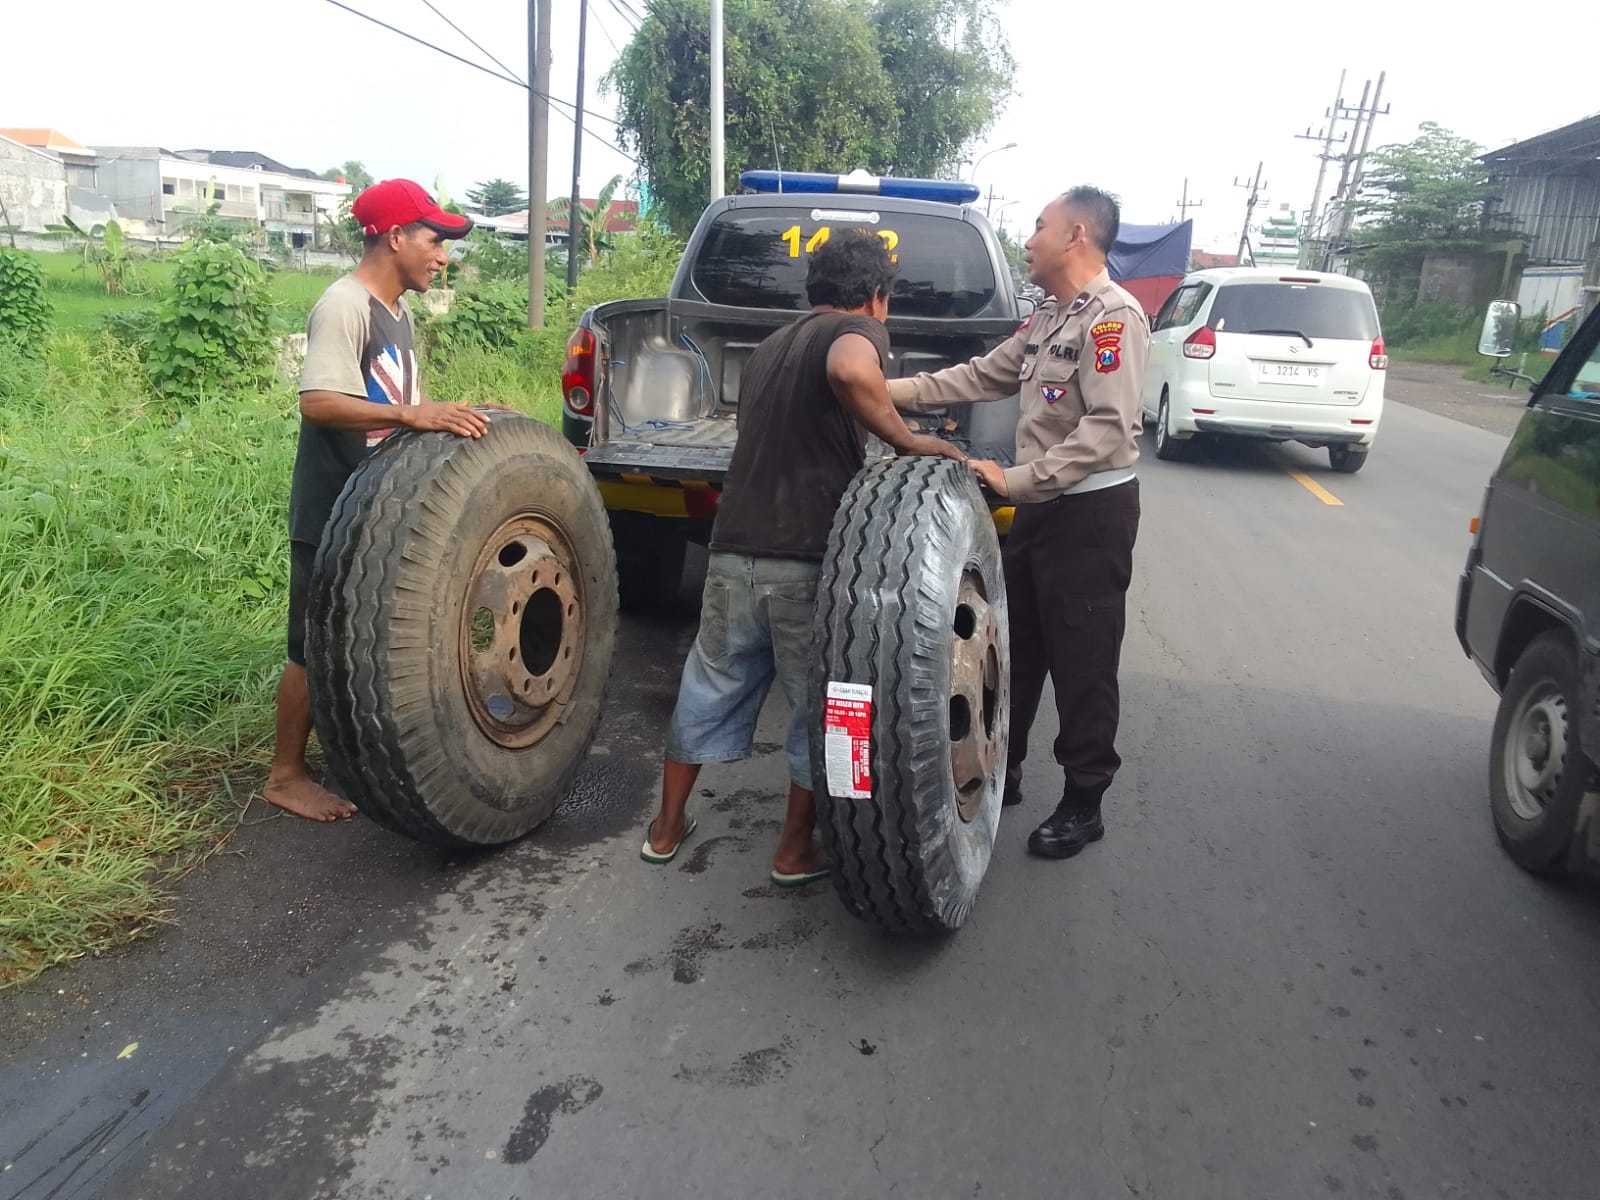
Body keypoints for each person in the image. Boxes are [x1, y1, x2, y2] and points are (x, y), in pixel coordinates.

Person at [643, 229, 965, 883]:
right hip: (807, 558)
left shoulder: (771, 347)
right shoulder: (856, 331)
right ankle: (793, 852)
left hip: (733, 550)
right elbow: (851, 370)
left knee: (708, 685)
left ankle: (666, 829)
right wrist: (908, 442)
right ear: (874, 295)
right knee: (826, 707)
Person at [887, 186, 1148, 861]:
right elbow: (980, 377)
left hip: (1090, 513)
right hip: (1039, 509)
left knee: (1083, 659)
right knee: (1017, 648)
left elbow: (1107, 430)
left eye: (1039, 227)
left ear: (1077, 235)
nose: (1028, 241)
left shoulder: (1114, 320)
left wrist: (1015, 481)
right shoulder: (1048, 319)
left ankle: (1084, 800)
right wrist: (885, 391)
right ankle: (1009, 766)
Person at [264, 178, 484, 822]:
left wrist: (445, 413)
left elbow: (393, 404)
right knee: (311, 644)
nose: (442, 256)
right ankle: (284, 776)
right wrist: (414, 415)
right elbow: (318, 402)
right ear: (394, 238)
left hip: (378, 510)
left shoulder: (397, 312)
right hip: (332, 509)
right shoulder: (345, 305)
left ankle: (356, 748)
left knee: (364, 635)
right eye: (434, 240)